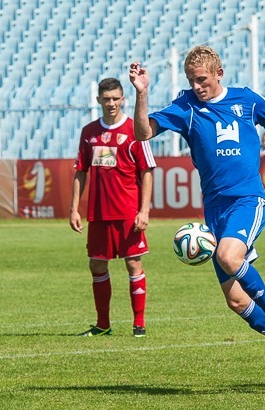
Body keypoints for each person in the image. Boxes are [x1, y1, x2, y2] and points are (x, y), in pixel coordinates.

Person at [129, 45, 265, 384]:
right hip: (215, 211)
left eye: (202, 80)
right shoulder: (186, 107)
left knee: (229, 256)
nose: (197, 86)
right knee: (235, 300)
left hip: (248, 201)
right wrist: (141, 94)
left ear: (219, 74)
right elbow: (143, 133)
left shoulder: (247, 100)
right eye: (191, 80)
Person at [70, 78, 157, 338]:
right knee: (96, 266)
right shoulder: (89, 132)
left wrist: (144, 210)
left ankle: (138, 324)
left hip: (128, 212)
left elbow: (147, 171)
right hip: (98, 213)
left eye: (116, 98)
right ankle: (103, 324)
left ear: (123, 99)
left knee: (133, 265)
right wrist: (74, 208)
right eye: (106, 99)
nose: (111, 103)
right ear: (98, 100)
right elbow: (80, 171)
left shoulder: (135, 130)